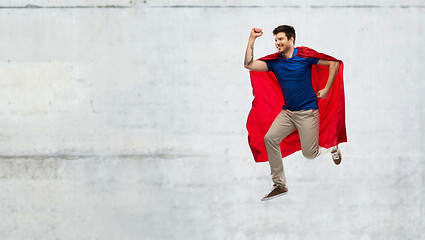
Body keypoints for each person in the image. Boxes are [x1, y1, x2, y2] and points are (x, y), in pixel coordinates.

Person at [244, 25, 344, 201]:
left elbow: (334, 63)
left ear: (291, 40)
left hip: (308, 113)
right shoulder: (275, 62)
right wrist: (252, 39)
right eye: (275, 40)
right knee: (270, 139)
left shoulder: (304, 57)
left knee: (309, 154)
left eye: (281, 39)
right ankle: (279, 185)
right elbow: (249, 64)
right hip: (288, 113)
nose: (277, 43)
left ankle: (332, 148)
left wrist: (327, 88)